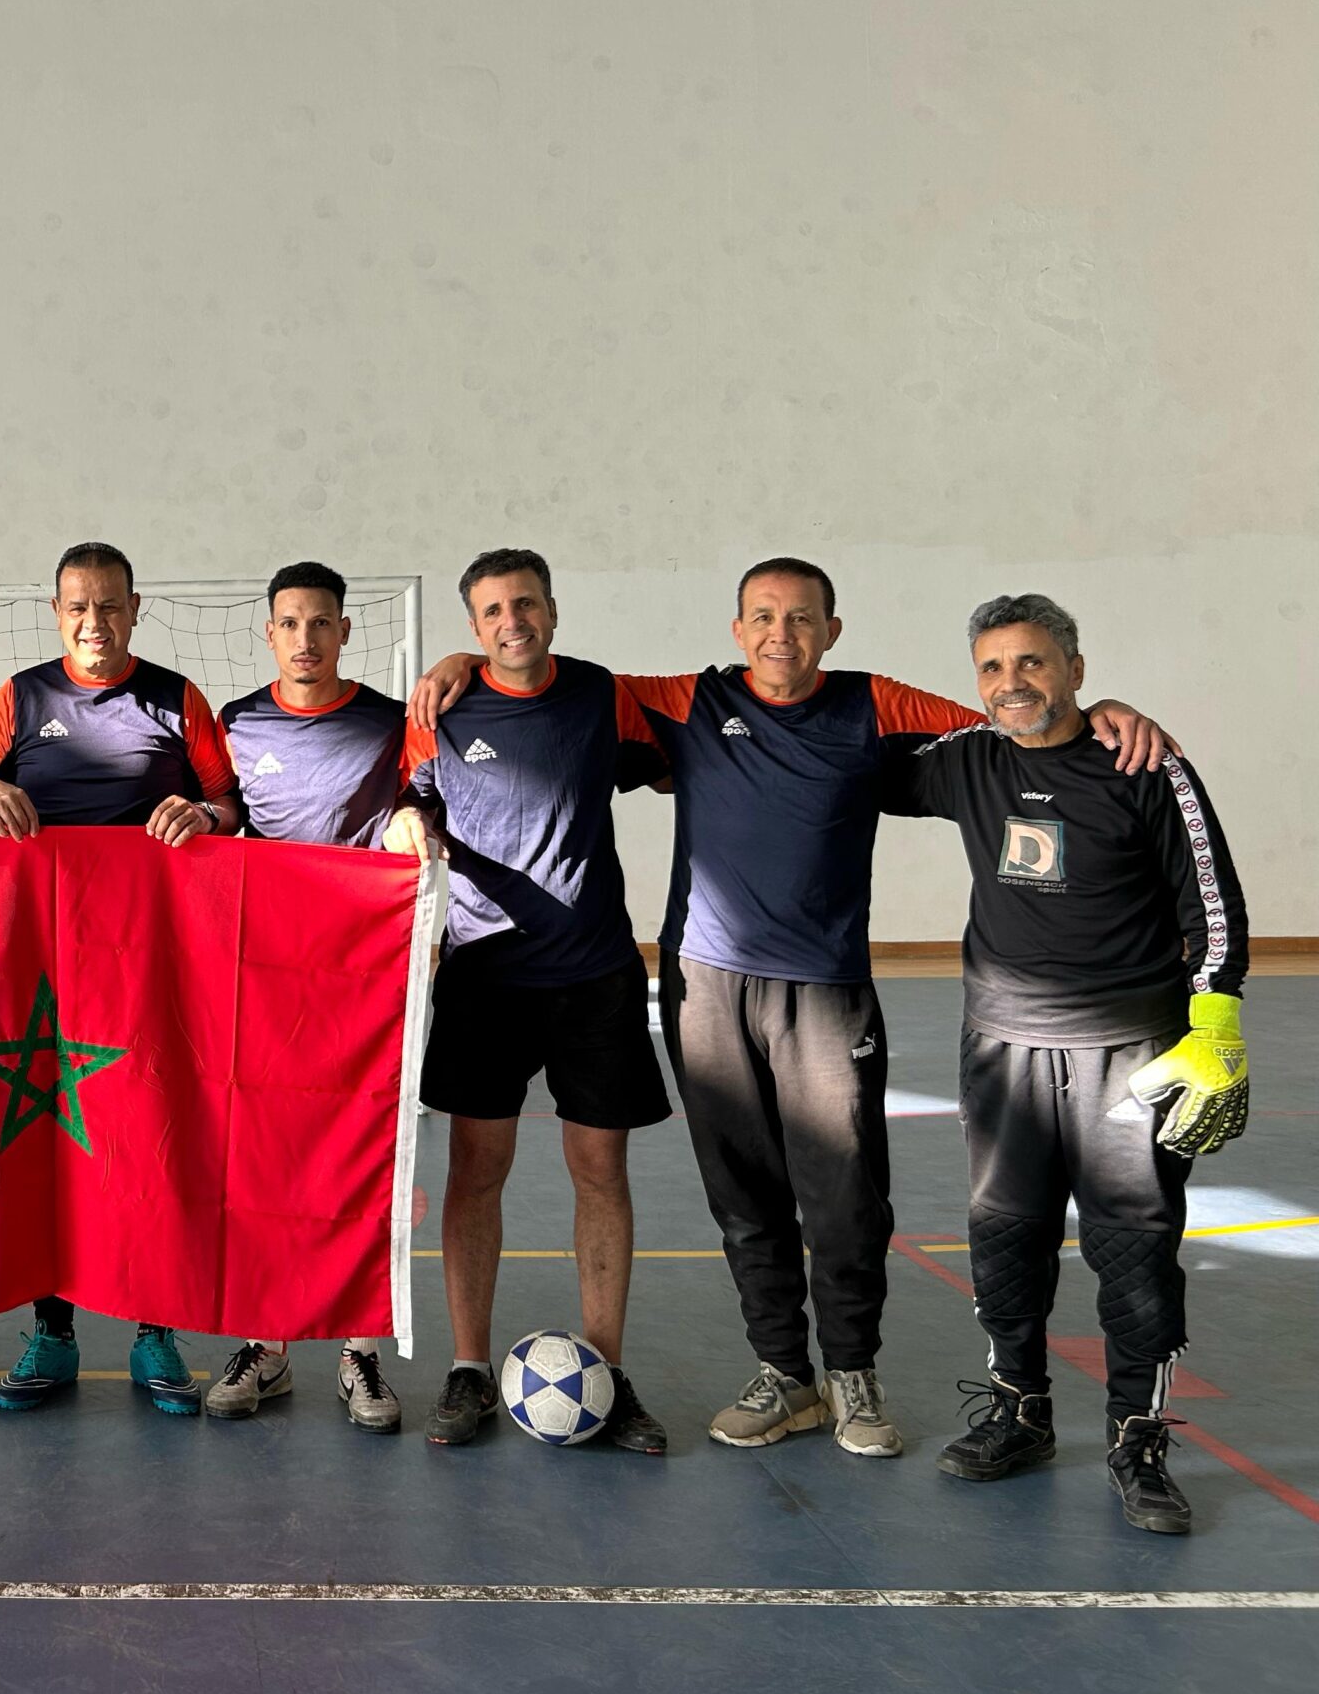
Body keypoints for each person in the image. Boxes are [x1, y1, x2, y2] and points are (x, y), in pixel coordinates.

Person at [410, 560, 1173, 1459]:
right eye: (764, 618)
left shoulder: (872, 703)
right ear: (738, 632)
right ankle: (783, 1372)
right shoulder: (683, 701)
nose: (782, 634)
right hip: (704, 985)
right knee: (743, 1197)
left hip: (824, 989)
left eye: (802, 618)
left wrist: (1102, 709)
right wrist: (462, 661)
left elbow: (1009, 720)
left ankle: (852, 1373)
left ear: (831, 631)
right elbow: (528, 675)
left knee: (845, 1198)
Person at [884, 594, 1248, 1535]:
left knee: (1133, 1249)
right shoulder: (966, 760)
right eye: (993, 668)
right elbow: (846, 750)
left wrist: (1216, 1016)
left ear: (1076, 670)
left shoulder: (1144, 764)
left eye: (1033, 662)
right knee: (1006, 1237)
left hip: (1130, 1052)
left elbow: (1212, 897)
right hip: (1002, 1045)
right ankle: (1020, 1410)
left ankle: (1138, 1438)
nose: (1013, 683)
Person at [382, 548, 670, 1454]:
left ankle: (607, 1372)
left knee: (601, 1172)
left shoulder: (601, 695)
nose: (514, 621)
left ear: (552, 608)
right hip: (485, 975)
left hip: (596, 974)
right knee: (476, 1170)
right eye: (494, 611)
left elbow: (672, 761)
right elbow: (407, 803)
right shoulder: (440, 709)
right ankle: (469, 1368)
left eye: (527, 603)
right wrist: (411, 822)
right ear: (474, 627)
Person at [0, 540, 243, 1413]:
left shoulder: (177, 699)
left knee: (150, 1130)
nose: (94, 621)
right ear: (56, 612)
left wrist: (203, 813)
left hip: (152, 958)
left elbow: (233, 805)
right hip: (43, 961)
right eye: (78, 606)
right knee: (49, 1145)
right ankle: (54, 1331)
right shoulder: (21, 696)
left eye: (110, 604)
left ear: (135, 608)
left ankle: (156, 1331)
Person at [203, 560, 410, 1433]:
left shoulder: (391, 722)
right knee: (265, 1157)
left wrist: (415, 821)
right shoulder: (237, 721)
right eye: (289, 623)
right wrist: (202, 818)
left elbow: (422, 802)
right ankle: (267, 1345)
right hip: (268, 973)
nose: (305, 639)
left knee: (362, 1153)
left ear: (345, 631)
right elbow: (224, 815)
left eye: (321, 622)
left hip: (366, 970)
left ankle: (359, 1352)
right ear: (269, 633)